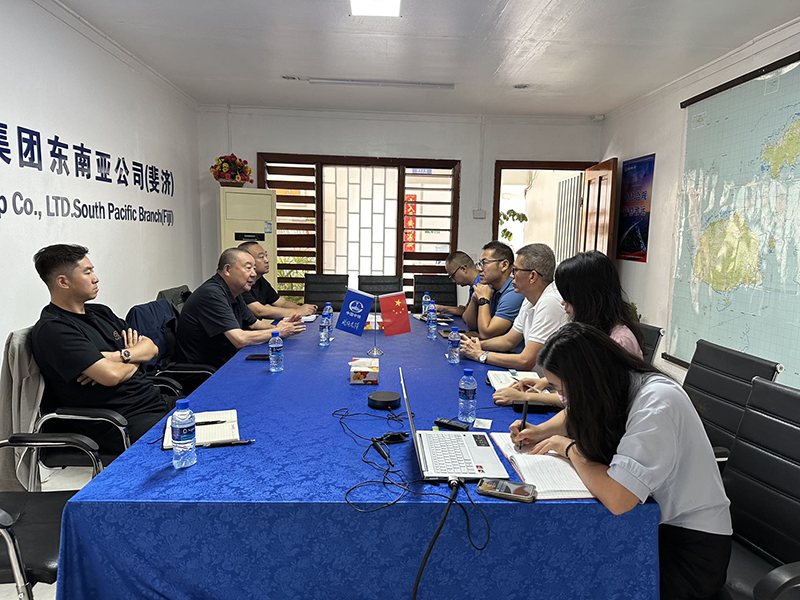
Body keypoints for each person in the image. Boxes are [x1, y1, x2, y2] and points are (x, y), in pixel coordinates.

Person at [510, 323, 731, 599]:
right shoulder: (618, 383)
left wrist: (569, 449)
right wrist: (540, 432)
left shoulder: (657, 404)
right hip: (652, 525)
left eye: (560, 389)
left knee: (575, 575)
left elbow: (618, 498)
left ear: (585, 383)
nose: (562, 399)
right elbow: (577, 411)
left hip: (689, 551)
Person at [30, 244, 171, 449]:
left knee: (218, 415)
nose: (96, 278)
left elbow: (152, 348)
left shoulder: (101, 312)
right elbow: (111, 376)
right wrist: (135, 358)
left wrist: (118, 356)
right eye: (87, 272)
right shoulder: (54, 329)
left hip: (155, 403)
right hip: (120, 423)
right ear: (63, 282)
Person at [494, 250, 643, 407]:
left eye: (567, 297)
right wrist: (546, 382)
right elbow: (582, 380)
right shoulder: (591, 331)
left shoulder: (618, 341)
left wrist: (526, 397)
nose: (562, 303)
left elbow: (585, 400)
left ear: (586, 298)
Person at [175, 248, 305, 368]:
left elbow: (254, 324)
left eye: (254, 268)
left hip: (226, 361)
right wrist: (278, 332)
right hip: (205, 372)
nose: (254, 274)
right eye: (248, 268)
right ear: (227, 270)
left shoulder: (234, 292)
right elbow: (239, 339)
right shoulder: (211, 294)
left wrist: (281, 327)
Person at [461, 243, 568, 370]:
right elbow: (508, 341)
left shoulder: (550, 302)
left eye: (515, 270)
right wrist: (476, 344)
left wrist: (480, 354)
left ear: (532, 276)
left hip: (543, 379)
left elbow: (525, 361)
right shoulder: (530, 298)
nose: (511, 275)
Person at [462, 241, 525, 338]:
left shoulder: (514, 292)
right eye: (479, 264)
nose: (479, 269)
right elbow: (470, 324)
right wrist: (474, 299)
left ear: (504, 265)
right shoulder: (490, 287)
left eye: (484, 263)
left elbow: (486, 333)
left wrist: (483, 299)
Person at [238, 241, 317, 318]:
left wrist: (304, 309)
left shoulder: (260, 280)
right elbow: (259, 311)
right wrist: (298, 311)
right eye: (261, 257)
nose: (267, 260)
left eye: (266, 256)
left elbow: (281, 303)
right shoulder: (240, 283)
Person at [433, 251, 481, 317]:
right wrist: (442, 308)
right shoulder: (474, 285)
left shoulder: (482, 285)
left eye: (453, 276)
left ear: (463, 269)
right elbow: (467, 310)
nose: (453, 281)